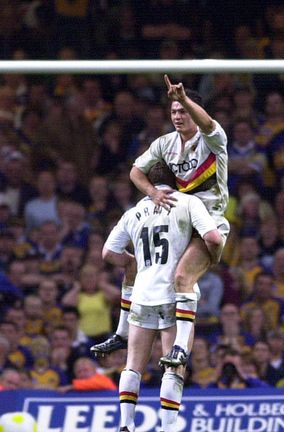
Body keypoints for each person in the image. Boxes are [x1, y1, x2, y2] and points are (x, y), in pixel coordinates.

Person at [92, 74, 230, 366]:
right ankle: (122, 331)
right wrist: (153, 192)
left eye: (182, 110)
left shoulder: (213, 139)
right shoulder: (164, 143)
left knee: (182, 278)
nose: (178, 115)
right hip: (181, 218)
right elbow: (135, 172)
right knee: (134, 264)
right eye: (174, 111)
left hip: (209, 220)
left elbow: (207, 124)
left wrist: (184, 98)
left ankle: (179, 347)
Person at [102, 161, 224, 432]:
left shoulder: (133, 212)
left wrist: (132, 262)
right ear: (179, 179)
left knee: (133, 365)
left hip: (142, 295)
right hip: (175, 296)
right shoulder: (188, 202)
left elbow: (108, 253)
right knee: (174, 367)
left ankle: (126, 425)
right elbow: (213, 238)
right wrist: (213, 258)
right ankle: (168, 428)